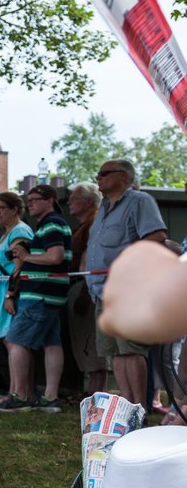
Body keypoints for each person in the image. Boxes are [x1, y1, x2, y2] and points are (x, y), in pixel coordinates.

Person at [86, 159, 167, 405]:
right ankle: (128, 407)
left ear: (122, 176)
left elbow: (156, 236)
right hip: (101, 291)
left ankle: (140, 408)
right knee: (115, 353)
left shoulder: (139, 201)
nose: (98, 178)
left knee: (131, 349)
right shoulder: (103, 208)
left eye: (104, 173)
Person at [0, 184, 72, 413]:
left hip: (39, 294)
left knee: (15, 341)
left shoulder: (51, 224)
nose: (29, 205)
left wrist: (27, 256)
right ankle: (49, 399)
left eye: (34, 200)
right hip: (51, 295)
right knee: (51, 344)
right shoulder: (55, 224)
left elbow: (55, 256)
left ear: (50, 200)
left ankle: (19, 397)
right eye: (28, 201)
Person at [0, 192, 33, 387]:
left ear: (14, 209)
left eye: (1, 208)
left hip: (8, 296)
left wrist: (9, 295)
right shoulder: (8, 232)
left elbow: (20, 266)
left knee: (15, 342)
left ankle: (20, 393)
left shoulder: (19, 232)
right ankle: (15, 391)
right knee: (10, 343)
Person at [65, 181, 108, 395]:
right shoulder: (84, 226)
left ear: (89, 201)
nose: (70, 203)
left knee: (91, 343)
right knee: (84, 342)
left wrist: (85, 292)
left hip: (88, 288)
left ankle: (96, 394)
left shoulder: (95, 224)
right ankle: (90, 393)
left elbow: (92, 262)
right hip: (80, 286)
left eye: (75, 199)